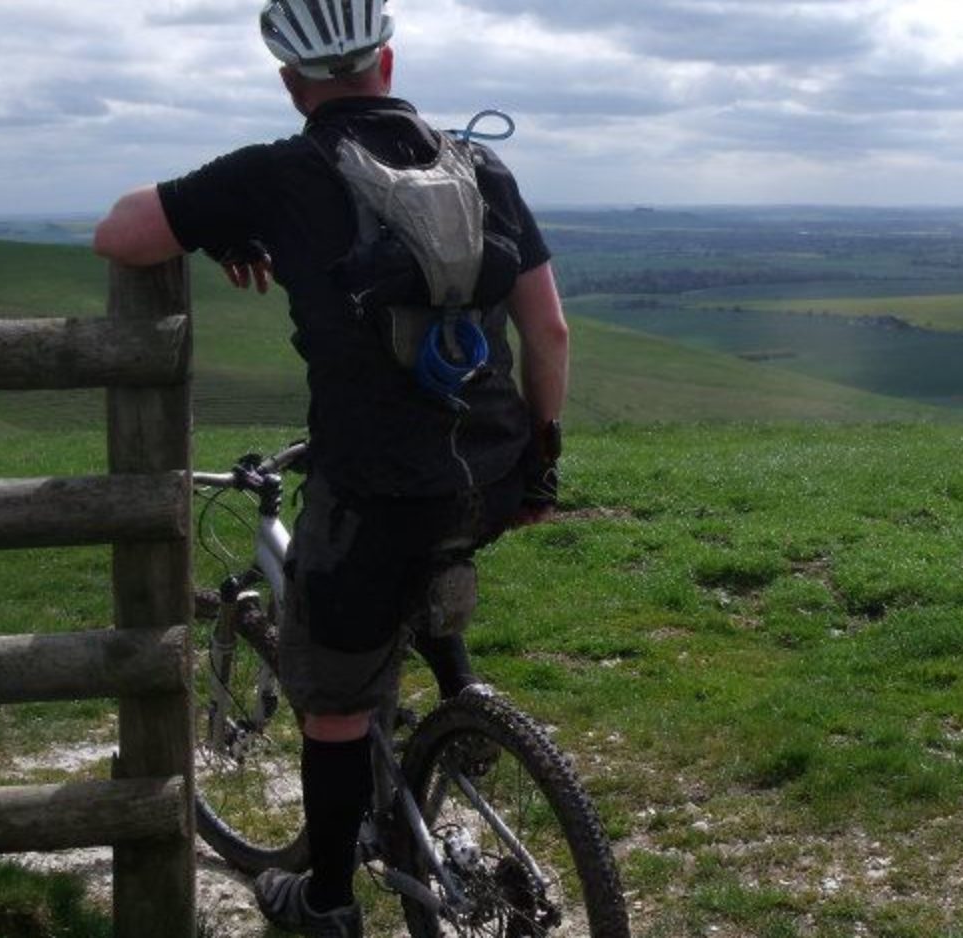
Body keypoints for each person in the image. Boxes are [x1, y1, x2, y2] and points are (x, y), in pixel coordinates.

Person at [93, 1, 568, 934]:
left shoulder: (278, 172)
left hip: (371, 489)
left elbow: (121, 233)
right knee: (423, 565)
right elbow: (546, 328)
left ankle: (328, 901)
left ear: (290, 83)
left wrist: (228, 229)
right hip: (489, 468)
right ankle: (461, 721)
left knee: (338, 708)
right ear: (386, 63)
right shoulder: (479, 164)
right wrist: (541, 467)